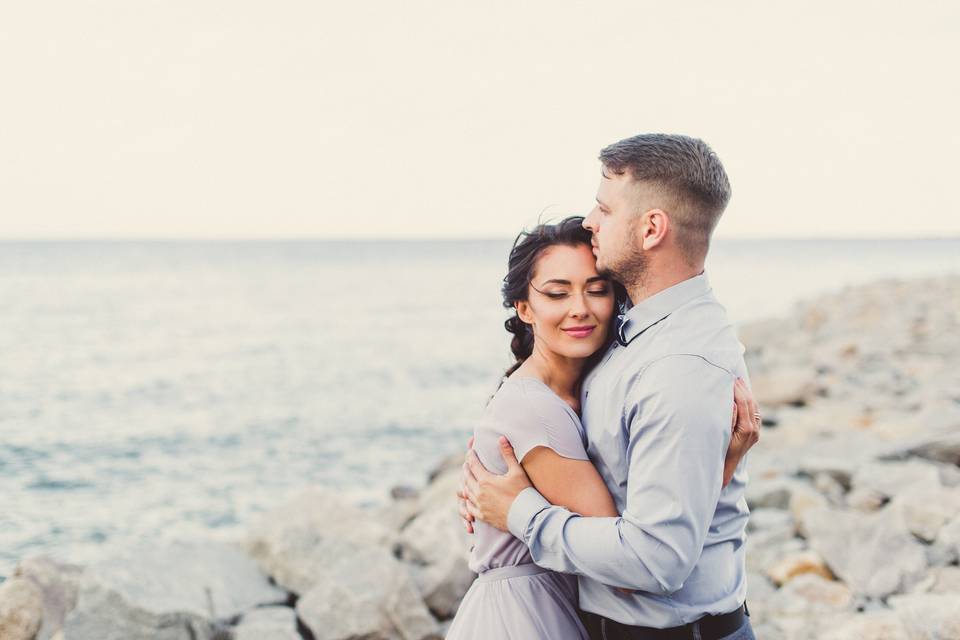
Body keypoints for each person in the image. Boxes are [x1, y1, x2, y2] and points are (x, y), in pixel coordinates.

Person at [459, 134, 759, 640]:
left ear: (651, 228)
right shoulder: (635, 334)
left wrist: (518, 513)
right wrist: (717, 469)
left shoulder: (677, 365)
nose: (591, 222)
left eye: (604, 208)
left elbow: (655, 562)